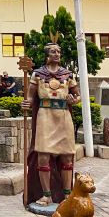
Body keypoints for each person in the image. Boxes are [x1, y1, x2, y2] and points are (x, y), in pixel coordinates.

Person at [22, 43, 79, 207]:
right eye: (53, 51)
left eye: (59, 51)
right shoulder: (38, 74)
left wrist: (74, 100)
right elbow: (30, 96)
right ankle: (46, 195)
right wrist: (26, 103)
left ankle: (67, 195)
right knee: (43, 156)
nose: (57, 54)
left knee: (67, 155)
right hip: (45, 116)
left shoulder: (67, 74)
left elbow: (78, 96)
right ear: (47, 55)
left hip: (63, 116)